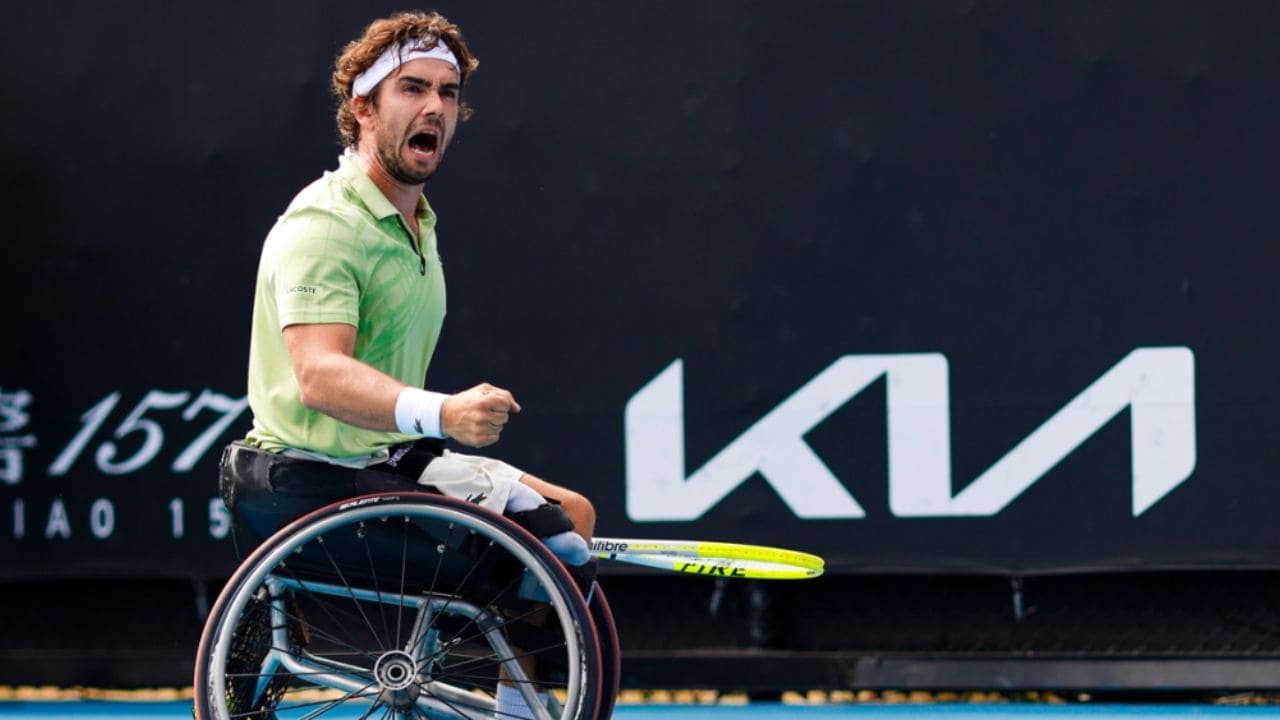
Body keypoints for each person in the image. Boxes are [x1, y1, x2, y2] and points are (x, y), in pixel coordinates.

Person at [219, 11, 596, 719]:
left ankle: (522, 705)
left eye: (448, 94)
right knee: (543, 545)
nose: (435, 108)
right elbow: (319, 375)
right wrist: (444, 413)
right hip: (307, 480)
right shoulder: (327, 226)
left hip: (380, 465)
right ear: (363, 107)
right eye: (412, 88)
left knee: (571, 517)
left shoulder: (415, 222)